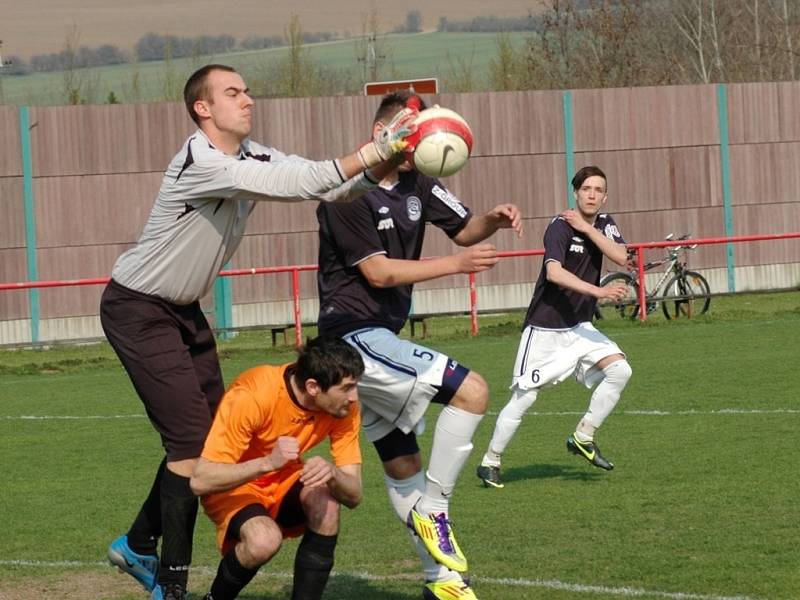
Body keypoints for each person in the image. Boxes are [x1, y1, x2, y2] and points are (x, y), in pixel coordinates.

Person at [102, 64, 417, 600]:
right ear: (203, 109)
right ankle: (171, 588)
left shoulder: (252, 155)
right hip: (137, 307)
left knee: (205, 439)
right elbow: (296, 183)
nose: (247, 99)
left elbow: (331, 187)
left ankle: (136, 543)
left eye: (247, 89)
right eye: (232, 92)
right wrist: (371, 149)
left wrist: (382, 157)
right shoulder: (204, 162)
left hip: (182, 310)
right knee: (188, 450)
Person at [315, 90, 522, 600]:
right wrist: (455, 268)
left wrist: (492, 220)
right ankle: (436, 507)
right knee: (472, 391)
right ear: (385, 132)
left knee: (403, 465)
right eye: (413, 129)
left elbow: (465, 231)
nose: (423, 138)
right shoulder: (346, 194)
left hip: (381, 337)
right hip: (353, 337)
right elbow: (379, 272)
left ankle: (442, 581)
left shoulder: (418, 183)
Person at [476, 165, 633, 489]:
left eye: (598, 190)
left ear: (605, 196)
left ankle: (583, 436)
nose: (592, 194)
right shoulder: (559, 227)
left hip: (579, 328)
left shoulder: (603, 224)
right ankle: (490, 461)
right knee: (524, 399)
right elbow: (554, 274)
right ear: (575, 193)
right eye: (586, 189)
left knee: (621, 371)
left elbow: (621, 256)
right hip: (546, 328)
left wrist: (589, 230)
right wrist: (600, 291)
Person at [188, 335, 364, 600]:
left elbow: (354, 495)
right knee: (263, 541)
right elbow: (200, 481)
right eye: (347, 387)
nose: (354, 397)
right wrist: (267, 463)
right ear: (313, 387)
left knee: (326, 504)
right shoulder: (253, 395)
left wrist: (334, 474)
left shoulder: (343, 408)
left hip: (284, 481)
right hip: (233, 486)